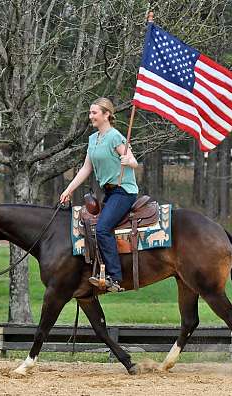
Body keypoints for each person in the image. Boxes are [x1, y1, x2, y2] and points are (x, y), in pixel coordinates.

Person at [60, 97, 139, 292]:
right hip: (109, 193)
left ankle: (115, 277)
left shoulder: (115, 137)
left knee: (102, 228)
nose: (91, 116)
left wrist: (128, 161)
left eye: (94, 113)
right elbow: (86, 169)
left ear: (106, 115)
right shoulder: (93, 139)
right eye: (90, 112)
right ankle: (94, 270)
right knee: (92, 226)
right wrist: (68, 190)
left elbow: (134, 162)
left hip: (124, 191)